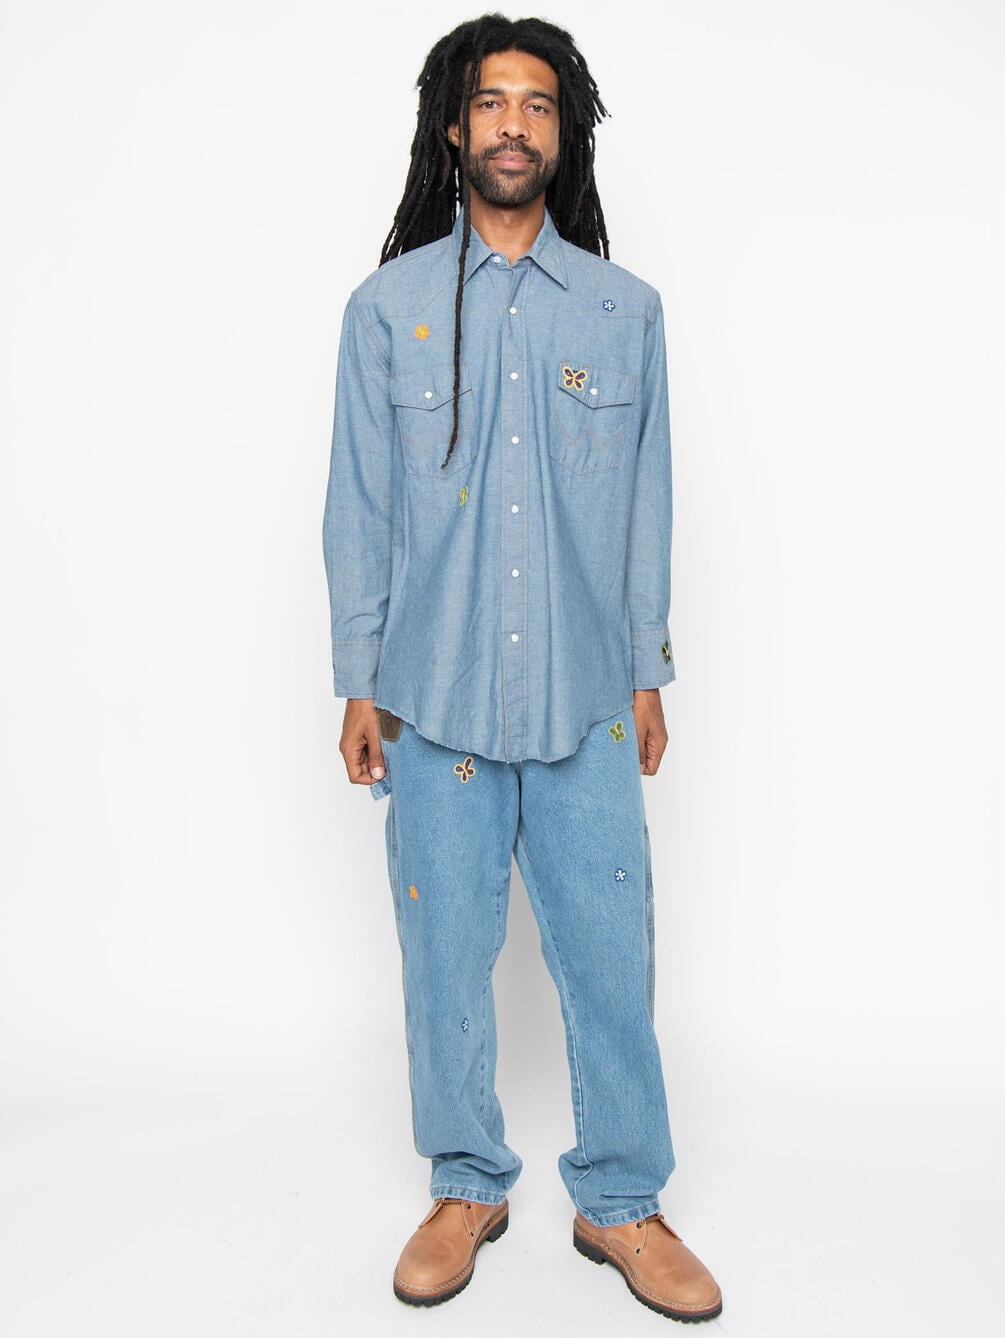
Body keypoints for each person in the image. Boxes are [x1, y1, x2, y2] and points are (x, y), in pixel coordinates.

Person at [322, 13, 721, 1322]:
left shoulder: (623, 310)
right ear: (453, 127)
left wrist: (647, 669)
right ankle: (465, 1182)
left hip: (587, 699)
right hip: (429, 695)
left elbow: (648, 505)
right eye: (490, 101)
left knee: (611, 955)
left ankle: (620, 1198)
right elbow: (358, 503)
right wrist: (358, 677)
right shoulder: (385, 310)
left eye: (537, 104)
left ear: (565, 132)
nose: (512, 123)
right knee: (443, 954)